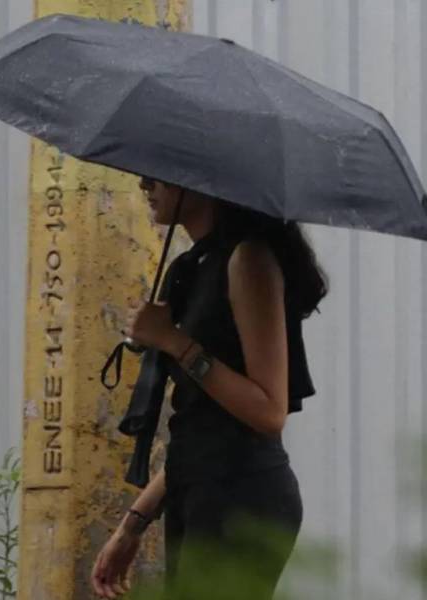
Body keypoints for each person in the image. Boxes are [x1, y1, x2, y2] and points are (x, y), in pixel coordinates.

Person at [90, 177, 329, 599]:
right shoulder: (192, 269)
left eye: (159, 173)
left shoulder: (249, 259)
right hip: (199, 491)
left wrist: (174, 341)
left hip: (242, 499)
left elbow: (269, 412)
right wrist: (133, 524)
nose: (144, 183)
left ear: (201, 180)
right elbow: (200, 428)